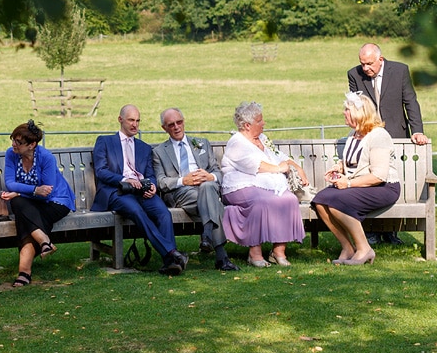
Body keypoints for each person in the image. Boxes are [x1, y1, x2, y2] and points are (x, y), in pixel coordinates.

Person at [347, 42, 430, 244]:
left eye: (369, 64)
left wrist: (417, 130)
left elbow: (410, 101)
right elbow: (356, 106)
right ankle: (371, 231)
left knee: (391, 182)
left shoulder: (400, 71)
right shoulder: (354, 75)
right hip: (369, 138)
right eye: (362, 64)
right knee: (369, 182)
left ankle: (391, 232)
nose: (365, 68)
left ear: (380, 60)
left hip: (396, 135)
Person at [92, 105, 186, 275]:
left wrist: (151, 186)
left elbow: (150, 174)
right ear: (120, 120)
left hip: (141, 192)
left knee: (163, 212)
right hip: (117, 192)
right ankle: (172, 253)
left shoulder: (143, 147)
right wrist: (124, 179)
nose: (135, 124)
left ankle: (169, 262)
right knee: (136, 211)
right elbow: (101, 171)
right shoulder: (105, 141)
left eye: (137, 121)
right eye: (131, 120)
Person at [311, 92, 402, 266]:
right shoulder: (354, 133)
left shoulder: (378, 135)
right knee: (320, 200)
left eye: (347, 110)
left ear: (359, 113)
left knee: (337, 202)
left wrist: (349, 183)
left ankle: (364, 249)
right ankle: (347, 248)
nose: (344, 113)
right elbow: (355, 162)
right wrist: (340, 167)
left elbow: (379, 175)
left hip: (383, 187)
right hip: (359, 185)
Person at [219, 102, 308, 268]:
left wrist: (298, 168)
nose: (263, 123)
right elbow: (255, 166)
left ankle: (278, 252)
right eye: (259, 121)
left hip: (266, 184)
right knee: (260, 202)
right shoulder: (237, 142)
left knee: (289, 199)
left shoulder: (263, 139)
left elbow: (279, 156)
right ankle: (255, 253)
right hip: (239, 186)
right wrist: (279, 168)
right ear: (247, 125)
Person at [152, 107, 238, 271]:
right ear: (164, 128)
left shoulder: (201, 143)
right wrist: (184, 180)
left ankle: (208, 236)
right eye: (171, 125)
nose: (176, 127)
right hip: (182, 193)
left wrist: (210, 177)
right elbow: (160, 182)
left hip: (206, 189)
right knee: (214, 203)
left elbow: (217, 172)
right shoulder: (159, 152)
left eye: (179, 122)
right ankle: (220, 256)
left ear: (184, 122)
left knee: (207, 187)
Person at [0, 119, 75, 287]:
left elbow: (46, 194)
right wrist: (33, 190)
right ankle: (44, 242)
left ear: (32, 144)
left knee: (25, 216)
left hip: (56, 201)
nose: (13, 144)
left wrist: (21, 191)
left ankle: (24, 273)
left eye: (18, 142)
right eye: (13, 139)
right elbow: (9, 183)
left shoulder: (46, 157)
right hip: (30, 202)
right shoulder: (11, 154)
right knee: (20, 205)